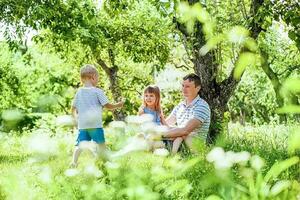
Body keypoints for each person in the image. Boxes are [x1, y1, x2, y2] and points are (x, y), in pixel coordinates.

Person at [70, 64, 123, 167]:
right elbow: (107, 106)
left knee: (79, 145)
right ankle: (108, 163)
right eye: (98, 78)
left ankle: (74, 162)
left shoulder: (79, 92)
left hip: (83, 125)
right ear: (93, 77)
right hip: (95, 125)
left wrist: (75, 119)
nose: (98, 80)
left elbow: (73, 108)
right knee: (101, 145)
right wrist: (118, 105)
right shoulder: (98, 91)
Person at [163, 73, 211, 153]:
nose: (184, 89)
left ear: (197, 88)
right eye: (183, 86)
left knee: (184, 134)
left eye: (188, 87)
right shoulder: (180, 105)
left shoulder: (202, 106)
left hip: (192, 147)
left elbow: (185, 131)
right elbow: (166, 124)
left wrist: (161, 135)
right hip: (177, 142)